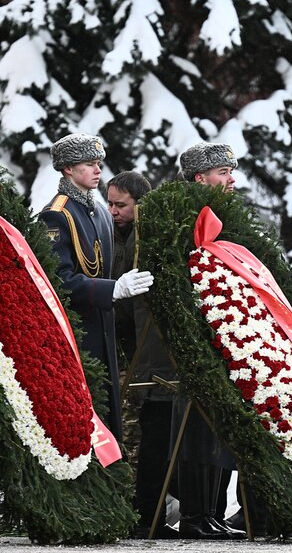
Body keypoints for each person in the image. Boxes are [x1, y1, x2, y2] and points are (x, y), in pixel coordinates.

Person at [39, 133, 154, 442]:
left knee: (109, 422)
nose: (97, 170)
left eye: (98, 164)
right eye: (89, 164)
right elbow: (58, 280)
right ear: (67, 169)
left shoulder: (100, 210)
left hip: (104, 331)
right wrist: (113, 289)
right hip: (78, 334)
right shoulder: (56, 214)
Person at [167, 142, 246, 539]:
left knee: (217, 429)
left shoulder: (222, 213)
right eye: (223, 173)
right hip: (196, 336)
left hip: (223, 333)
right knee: (196, 429)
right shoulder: (183, 214)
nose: (231, 180)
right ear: (200, 178)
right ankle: (195, 516)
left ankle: (211, 514)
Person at [108, 171, 179, 539]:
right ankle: (141, 513)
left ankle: (146, 514)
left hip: (141, 350)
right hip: (127, 347)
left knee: (143, 434)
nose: (113, 211)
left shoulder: (143, 235)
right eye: (111, 204)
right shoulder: (117, 232)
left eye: (121, 205)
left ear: (139, 203)